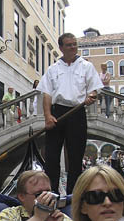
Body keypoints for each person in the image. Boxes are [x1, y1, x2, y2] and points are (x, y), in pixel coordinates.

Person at [37, 33, 103, 194]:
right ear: (61, 48)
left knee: (75, 157)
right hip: (57, 112)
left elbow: (94, 89)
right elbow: (47, 94)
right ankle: (52, 194)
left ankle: (73, 195)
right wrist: (47, 116)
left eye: (74, 44)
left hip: (77, 112)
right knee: (52, 158)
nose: (73, 47)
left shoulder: (86, 66)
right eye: (69, 45)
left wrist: (91, 97)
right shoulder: (53, 69)